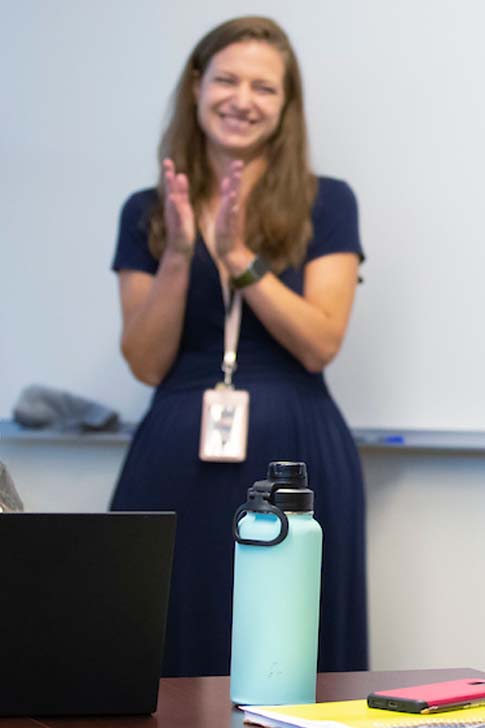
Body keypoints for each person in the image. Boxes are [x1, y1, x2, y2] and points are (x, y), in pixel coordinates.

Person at [110, 16, 367, 677]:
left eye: (264, 87)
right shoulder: (146, 210)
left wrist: (237, 258)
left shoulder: (326, 203)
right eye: (227, 79)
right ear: (197, 86)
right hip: (176, 454)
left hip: (295, 457)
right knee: (159, 647)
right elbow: (145, 362)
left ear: (286, 106)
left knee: (289, 654)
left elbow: (319, 343)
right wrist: (180, 253)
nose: (242, 100)